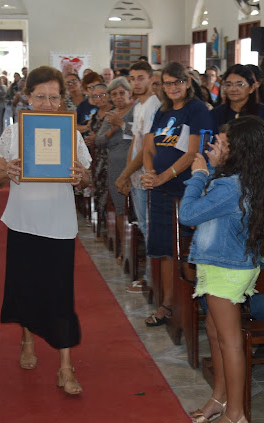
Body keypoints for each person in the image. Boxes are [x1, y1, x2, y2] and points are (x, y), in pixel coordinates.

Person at [0, 66, 91, 394]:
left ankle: (65, 366)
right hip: (22, 221)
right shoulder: (14, 133)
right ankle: (28, 340)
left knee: (61, 293)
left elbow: (85, 177)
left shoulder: (71, 133)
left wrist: (81, 177)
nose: (48, 104)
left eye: (54, 97)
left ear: (63, 99)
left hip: (59, 223)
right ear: (27, 97)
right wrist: (8, 171)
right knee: (25, 286)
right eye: (41, 97)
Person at [181, 116, 264, 423]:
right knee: (215, 331)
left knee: (230, 341)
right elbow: (213, 209)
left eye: (223, 144)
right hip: (229, 264)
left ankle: (236, 415)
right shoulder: (245, 179)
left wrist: (198, 175)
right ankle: (219, 398)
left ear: (240, 150)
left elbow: (188, 214)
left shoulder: (229, 186)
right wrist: (210, 170)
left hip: (225, 268)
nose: (216, 147)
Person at [141, 61, 212, 326]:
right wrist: (150, 173)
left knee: (184, 252)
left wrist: (163, 176)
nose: (172, 87)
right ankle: (168, 303)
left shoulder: (197, 109)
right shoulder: (162, 111)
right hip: (160, 191)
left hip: (185, 191)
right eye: (167, 83)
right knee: (164, 250)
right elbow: (149, 147)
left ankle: (190, 305)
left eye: (178, 82)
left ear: (187, 82)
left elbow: (194, 152)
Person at [115, 60, 161, 293]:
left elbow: (147, 148)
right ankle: (150, 276)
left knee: (149, 227)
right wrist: (127, 174)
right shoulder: (139, 105)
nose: (136, 83)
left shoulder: (154, 106)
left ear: (151, 79)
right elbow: (135, 141)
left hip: (146, 174)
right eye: (132, 79)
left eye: (141, 78)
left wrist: (126, 174)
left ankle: (151, 279)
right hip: (136, 174)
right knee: (144, 225)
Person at [95, 77, 134, 262]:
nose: (118, 97)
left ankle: (136, 250)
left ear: (129, 93)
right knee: (120, 209)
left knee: (135, 209)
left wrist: (121, 124)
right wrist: (111, 130)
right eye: (114, 94)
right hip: (115, 166)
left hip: (134, 164)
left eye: (122, 93)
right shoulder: (110, 115)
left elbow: (143, 134)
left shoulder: (136, 110)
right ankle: (124, 250)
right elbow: (99, 141)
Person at [210, 64, 264, 143]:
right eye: (228, 84)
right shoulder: (215, 114)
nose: (233, 89)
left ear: (252, 88)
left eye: (240, 84)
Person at [85, 84, 112, 221]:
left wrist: (97, 139)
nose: (99, 99)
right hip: (97, 158)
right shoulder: (94, 116)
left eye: (102, 95)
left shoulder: (114, 113)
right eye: (95, 96)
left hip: (111, 158)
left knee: (109, 192)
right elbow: (91, 133)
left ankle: (110, 222)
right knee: (98, 189)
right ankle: (102, 221)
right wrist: (90, 140)